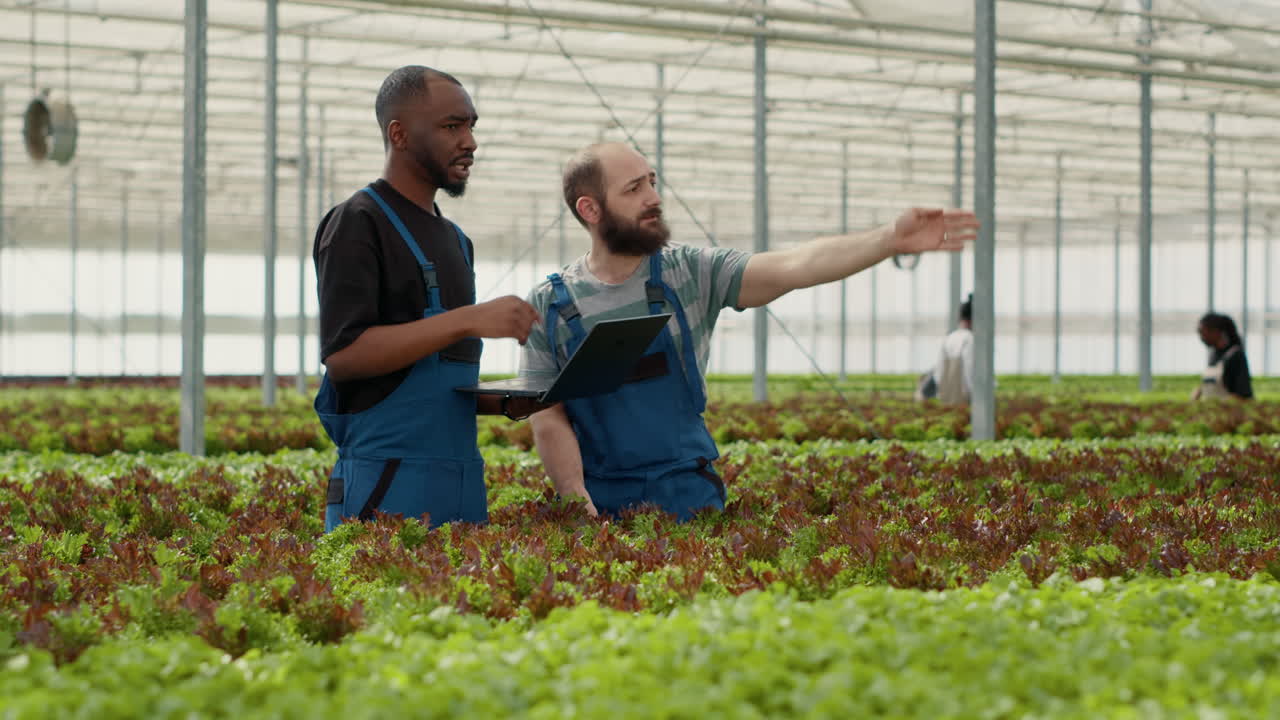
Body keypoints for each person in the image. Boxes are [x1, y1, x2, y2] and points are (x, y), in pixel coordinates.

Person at [520, 142, 979, 521]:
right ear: (590, 208)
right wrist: (576, 501)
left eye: (653, 182)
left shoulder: (689, 272)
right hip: (600, 498)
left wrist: (886, 240)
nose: (653, 198)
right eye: (634, 188)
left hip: (686, 494)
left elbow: (793, 265)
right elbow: (548, 415)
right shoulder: (552, 303)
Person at [312, 66, 544, 532]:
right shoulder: (358, 222)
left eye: (471, 125)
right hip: (385, 486)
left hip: (459, 480)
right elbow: (345, 356)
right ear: (399, 134)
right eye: (451, 126)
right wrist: (467, 320)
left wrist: (501, 402)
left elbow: (432, 381)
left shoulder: (456, 241)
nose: (470, 141)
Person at [916, 294, 974, 405]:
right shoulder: (970, 339)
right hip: (963, 398)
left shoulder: (951, 337)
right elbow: (970, 371)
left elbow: (939, 371)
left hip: (948, 396)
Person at [1191, 312, 1253, 400]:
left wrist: (1224, 403)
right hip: (1212, 411)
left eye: (1203, 333)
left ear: (1216, 332)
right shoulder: (1213, 356)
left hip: (1231, 412)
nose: (1201, 338)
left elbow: (1244, 395)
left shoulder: (1235, 355)